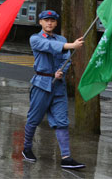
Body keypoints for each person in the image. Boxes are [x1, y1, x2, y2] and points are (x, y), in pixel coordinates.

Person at [22, 10, 86, 169]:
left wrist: (61, 72)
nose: (49, 23)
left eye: (52, 20)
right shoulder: (35, 39)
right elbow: (49, 46)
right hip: (41, 84)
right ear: (40, 22)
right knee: (34, 118)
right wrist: (71, 45)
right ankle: (26, 148)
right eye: (46, 20)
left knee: (62, 121)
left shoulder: (61, 39)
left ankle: (66, 157)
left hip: (58, 86)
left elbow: (67, 59)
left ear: (56, 23)